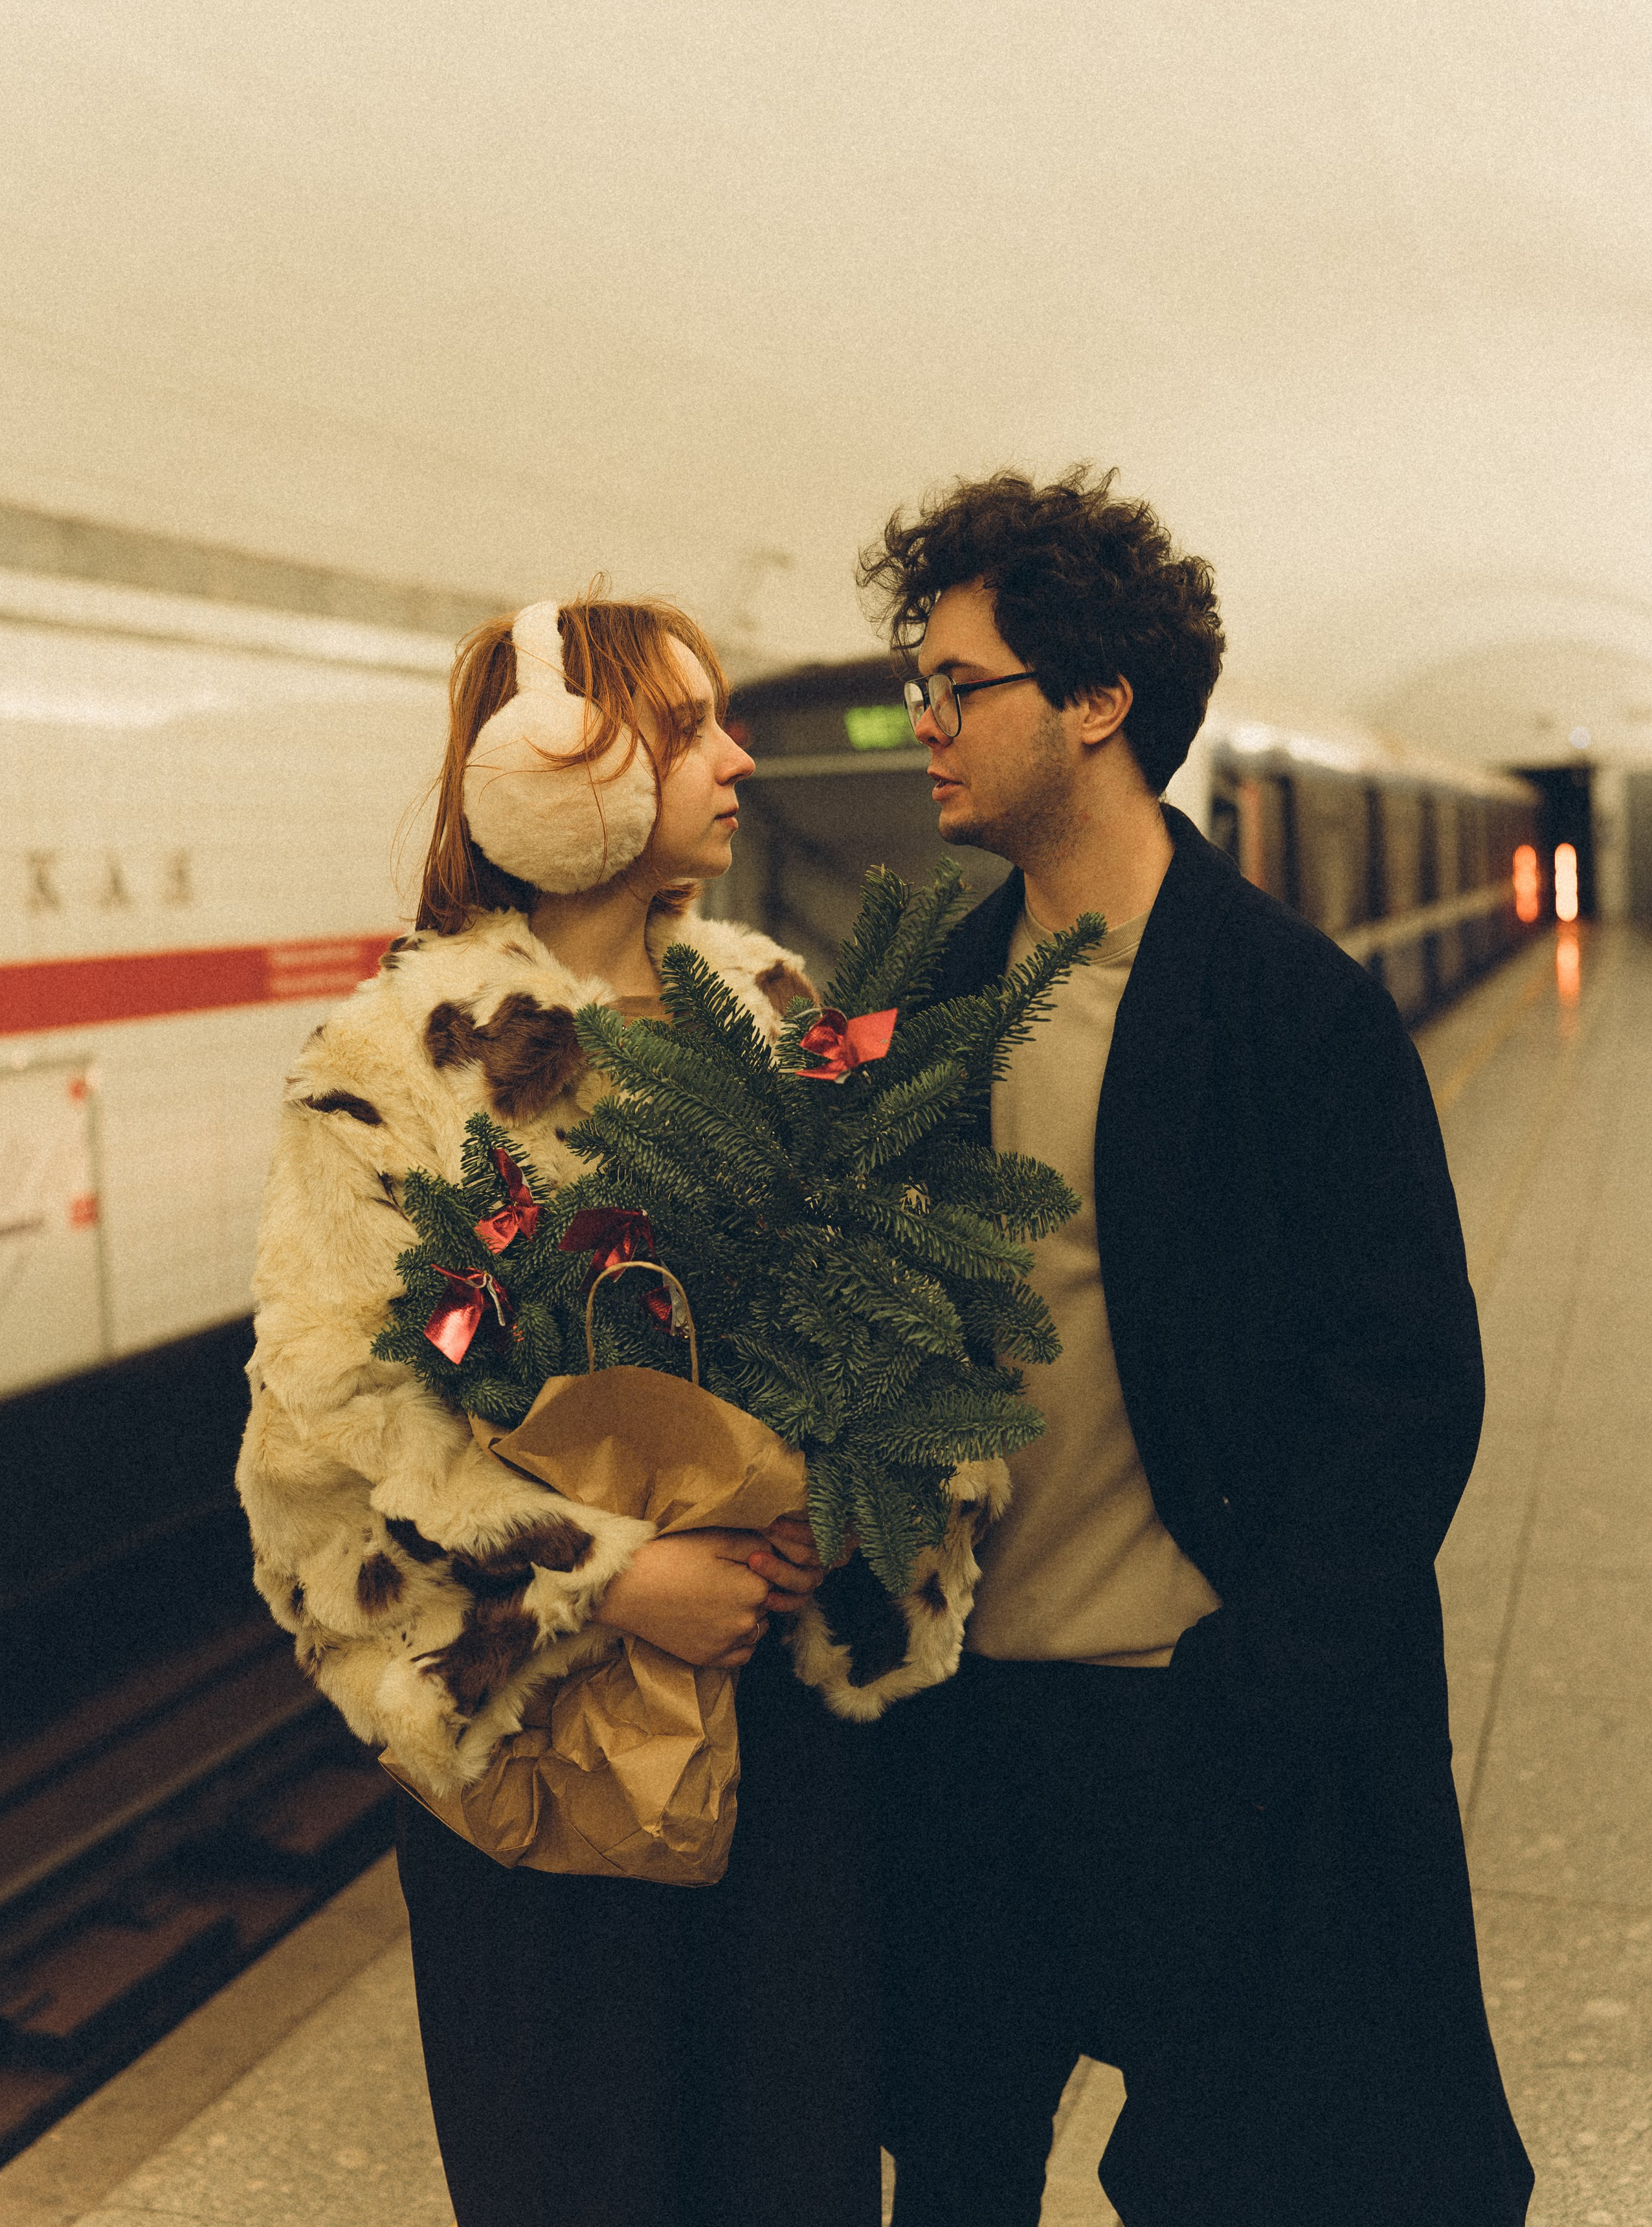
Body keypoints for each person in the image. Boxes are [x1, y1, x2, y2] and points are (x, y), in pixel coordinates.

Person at [237, 592, 987, 2227]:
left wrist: (838, 1510)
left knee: (791, 2168)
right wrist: (609, 1573)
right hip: (536, 1754)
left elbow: (904, 1308)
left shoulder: (775, 1009)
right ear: (548, 775)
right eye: (687, 730)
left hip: (780, 1735)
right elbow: (327, 1448)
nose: (734, 761)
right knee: (577, 2173)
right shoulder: (390, 1066)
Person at [858, 469, 1535, 2227]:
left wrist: (1258, 1679)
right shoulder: (938, 1002)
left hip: (1199, 1726)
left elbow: (1407, 1388)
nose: (921, 724)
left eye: (959, 685)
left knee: (1248, 2175)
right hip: (970, 1737)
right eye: (915, 686)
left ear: (1097, 706)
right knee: (953, 2172)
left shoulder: (1291, 1009)